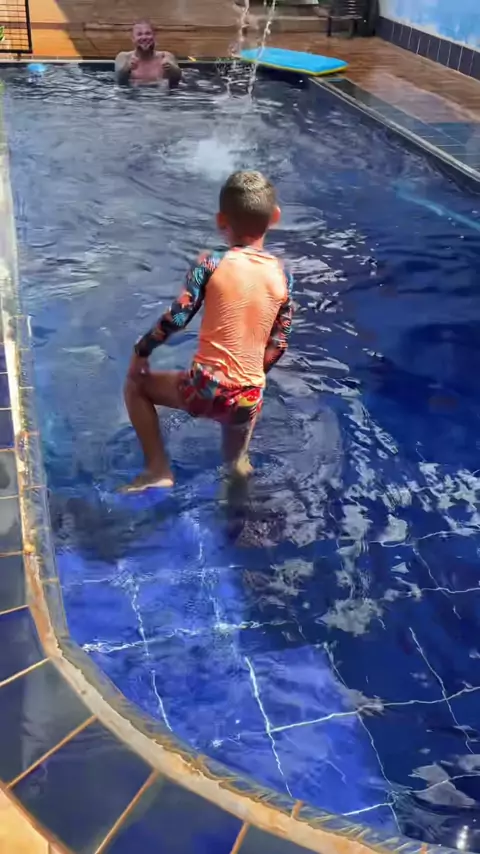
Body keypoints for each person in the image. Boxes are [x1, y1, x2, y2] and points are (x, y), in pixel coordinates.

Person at [124, 170, 294, 491]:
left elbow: (179, 317)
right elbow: (279, 344)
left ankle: (158, 471)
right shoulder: (284, 276)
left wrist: (141, 351)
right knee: (237, 462)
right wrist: (247, 382)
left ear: (220, 221)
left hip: (206, 387)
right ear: (275, 217)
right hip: (249, 395)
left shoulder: (211, 263)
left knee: (135, 386)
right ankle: (239, 488)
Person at [115, 20, 181, 87]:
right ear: (133, 38)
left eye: (148, 33)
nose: (144, 37)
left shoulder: (165, 56)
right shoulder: (124, 57)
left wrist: (171, 68)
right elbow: (119, 81)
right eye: (139, 34)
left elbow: (176, 81)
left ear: (154, 36)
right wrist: (127, 68)